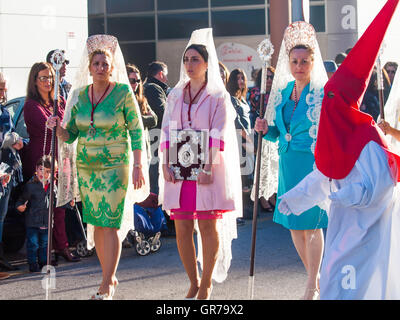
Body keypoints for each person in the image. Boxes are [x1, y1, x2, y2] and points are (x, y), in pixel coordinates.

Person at [278, 0, 400, 299]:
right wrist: (296, 198)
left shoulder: (368, 136)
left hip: (367, 224)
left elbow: (382, 184)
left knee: (363, 276)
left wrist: (350, 194)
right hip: (343, 222)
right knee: (335, 272)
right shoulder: (333, 134)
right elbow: (321, 175)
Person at [48, 34, 150, 300]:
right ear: (90, 67)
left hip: (116, 165)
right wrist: (58, 129)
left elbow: (137, 131)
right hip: (88, 168)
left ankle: (106, 283)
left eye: (105, 63)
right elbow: (70, 133)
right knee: (98, 224)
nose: (101, 68)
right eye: (97, 64)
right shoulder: (80, 95)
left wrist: (139, 164)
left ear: (112, 66)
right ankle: (109, 277)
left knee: (111, 222)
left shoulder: (123, 92)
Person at [159, 28, 242, 300]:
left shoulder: (218, 96)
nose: (189, 65)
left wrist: (208, 167)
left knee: (207, 225)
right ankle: (192, 280)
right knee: (182, 226)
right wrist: (164, 163)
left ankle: (206, 282)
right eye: (186, 60)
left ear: (207, 64)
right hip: (179, 167)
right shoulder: (175, 94)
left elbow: (219, 133)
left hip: (207, 167)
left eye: (195, 59)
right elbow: (166, 130)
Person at [254, 21, 328, 300]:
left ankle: (311, 284)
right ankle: (316, 276)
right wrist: (265, 129)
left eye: (304, 61)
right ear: (289, 62)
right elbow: (277, 133)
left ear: (312, 62)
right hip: (287, 165)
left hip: (311, 164)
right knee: (294, 226)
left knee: (312, 222)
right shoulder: (284, 93)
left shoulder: (322, 93)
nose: (299, 66)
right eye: (295, 61)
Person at [21, 62, 80, 264]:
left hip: (61, 157)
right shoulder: (31, 105)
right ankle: (45, 251)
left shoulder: (60, 101)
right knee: (43, 208)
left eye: (50, 77)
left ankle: (62, 246)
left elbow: (68, 125)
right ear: (34, 81)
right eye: (43, 78)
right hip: (42, 160)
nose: (48, 81)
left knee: (60, 204)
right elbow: (49, 127)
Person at [0, 72, 25, 272]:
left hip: (7, 170)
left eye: (4, 87)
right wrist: (14, 137)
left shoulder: (3, 108)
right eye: (0, 87)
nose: (3, 91)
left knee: (2, 215)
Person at [16, 156, 54, 272]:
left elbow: (57, 200)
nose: (43, 173)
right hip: (32, 222)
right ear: (36, 169)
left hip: (46, 221)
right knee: (33, 244)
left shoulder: (52, 186)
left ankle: (43, 262)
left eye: (47, 171)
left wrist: (69, 203)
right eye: (41, 169)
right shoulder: (30, 186)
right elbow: (21, 200)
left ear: (51, 173)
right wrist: (19, 206)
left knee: (44, 244)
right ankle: (32, 263)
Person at [143, 61, 169, 195]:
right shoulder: (154, 88)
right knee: (155, 173)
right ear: (160, 74)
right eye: (166, 75)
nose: (167, 78)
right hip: (156, 138)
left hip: (152, 138)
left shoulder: (147, 86)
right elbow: (164, 113)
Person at [226, 68, 252, 193]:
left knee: (249, 176)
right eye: (237, 78)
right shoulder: (231, 98)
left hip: (247, 139)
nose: (241, 81)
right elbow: (236, 122)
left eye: (242, 78)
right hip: (239, 141)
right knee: (243, 178)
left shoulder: (243, 99)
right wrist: (247, 139)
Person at [126, 64, 157, 162]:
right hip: (127, 149)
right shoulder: (118, 100)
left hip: (143, 148)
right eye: (132, 81)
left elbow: (154, 119)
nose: (136, 84)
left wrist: (135, 119)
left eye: (138, 81)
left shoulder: (141, 99)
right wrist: (143, 118)